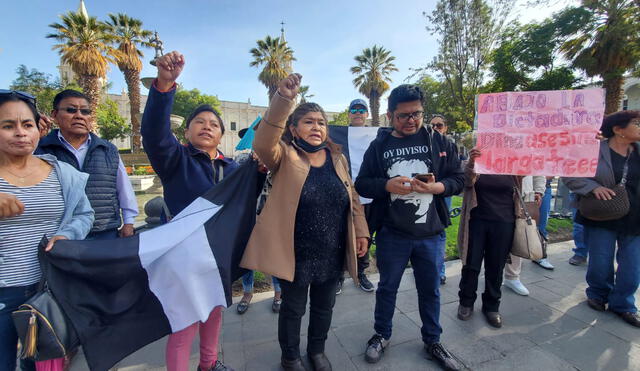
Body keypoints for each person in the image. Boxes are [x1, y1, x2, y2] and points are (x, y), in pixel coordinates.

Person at [240, 74, 369, 371]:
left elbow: (352, 197)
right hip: (295, 252)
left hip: (331, 250)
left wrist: (361, 232)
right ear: (295, 129)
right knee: (293, 309)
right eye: (309, 121)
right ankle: (290, 357)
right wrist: (283, 100)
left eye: (321, 122)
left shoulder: (338, 159)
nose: (317, 127)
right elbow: (263, 142)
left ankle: (317, 351)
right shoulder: (284, 156)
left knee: (325, 307)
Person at [355, 84, 464, 370]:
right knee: (387, 287)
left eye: (416, 114)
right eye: (403, 116)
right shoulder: (379, 146)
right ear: (390, 115)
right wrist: (386, 185)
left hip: (431, 233)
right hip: (392, 233)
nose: (411, 120)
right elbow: (362, 183)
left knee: (431, 290)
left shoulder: (440, 142)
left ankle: (433, 340)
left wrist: (439, 186)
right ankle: (382, 334)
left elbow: (459, 178)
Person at [140, 51, 237, 371]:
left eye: (214, 124)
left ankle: (208, 364)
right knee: (183, 326)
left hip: (217, 256)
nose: (207, 127)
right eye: (200, 122)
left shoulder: (233, 168)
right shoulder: (175, 160)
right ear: (187, 132)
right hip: (181, 255)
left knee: (214, 312)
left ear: (222, 134)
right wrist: (164, 86)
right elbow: (154, 134)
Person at [0, 90, 94, 371]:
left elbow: (84, 214)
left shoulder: (62, 172)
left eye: (27, 125)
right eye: (8, 126)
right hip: (4, 292)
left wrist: (66, 235)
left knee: (40, 363)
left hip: (47, 289)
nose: (20, 133)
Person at [564, 110, 640, 328]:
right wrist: (592, 187)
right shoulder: (594, 150)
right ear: (618, 130)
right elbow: (571, 175)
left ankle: (624, 304)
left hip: (635, 219)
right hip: (601, 216)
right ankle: (597, 293)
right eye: (637, 123)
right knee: (600, 262)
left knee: (633, 267)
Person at [36, 89, 138, 239]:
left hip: (104, 231)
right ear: (54, 115)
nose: (79, 116)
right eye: (71, 110)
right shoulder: (41, 149)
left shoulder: (107, 149)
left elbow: (123, 188)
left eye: (85, 112)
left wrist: (129, 222)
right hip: (59, 235)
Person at [457, 149, 526, 328]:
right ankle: (466, 302)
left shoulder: (514, 163)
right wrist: (472, 162)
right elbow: (466, 182)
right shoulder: (477, 160)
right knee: (471, 264)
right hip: (477, 221)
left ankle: (492, 306)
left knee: (496, 265)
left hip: (504, 221)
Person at [235, 129, 283, 314]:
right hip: (247, 216)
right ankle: (247, 292)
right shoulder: (241, 160)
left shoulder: (278, 160)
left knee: (275, 254)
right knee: (248, 256)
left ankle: (278, 293)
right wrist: (252, 165)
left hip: (272, 216)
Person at [335, 98, 375, 294]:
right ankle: (339, 275)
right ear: (349, 113)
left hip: (370, 195)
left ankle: (361, 273)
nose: (358, 112)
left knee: (365, 236)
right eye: (354, 109)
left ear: (367, 114)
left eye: (362, 109)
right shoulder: (337, 135)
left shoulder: (377, 135)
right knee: (342, 235)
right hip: (346, 193)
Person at [503, 176, 547, 296]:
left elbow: (537, 167)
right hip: (497, 194)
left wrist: (538, 190)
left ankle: (512, 277)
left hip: (523, 195)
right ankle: (492, 270)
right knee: (495, 236)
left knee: (520, 235)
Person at [429, 114, 453, 285]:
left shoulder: (449, 145)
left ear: (445, 127)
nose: (436, 128)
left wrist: (442, 186)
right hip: (425, 194)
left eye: (439, 125)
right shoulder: (426, 143)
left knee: (441, 230)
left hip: (443, 194)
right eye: (433, 125)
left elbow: (455, 174)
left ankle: (440, 270)